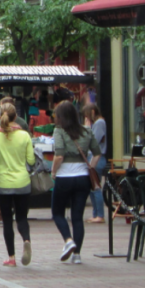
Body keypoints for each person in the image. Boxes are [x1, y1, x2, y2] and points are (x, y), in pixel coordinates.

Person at [50, 100, 102, 264]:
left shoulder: (59, 131)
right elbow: (97, 153)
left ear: (60, 117)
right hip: (82, 178)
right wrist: (90, 169)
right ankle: (77, 255)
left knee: (57, 212)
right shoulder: (87, 130)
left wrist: (53, 171)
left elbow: (59, 155)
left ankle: (68, 240)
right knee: (77, 217)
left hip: (65, 177)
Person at [0, 103, 35, 266]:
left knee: (7, 220)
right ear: (16, 117)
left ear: (0, 115)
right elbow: (31, 160)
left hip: (2, 182)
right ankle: (26, 240)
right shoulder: (24, 136)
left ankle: (12, 258)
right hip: (22, 181)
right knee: (22, 217)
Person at [83, 103, 107, 223]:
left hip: (97, 159)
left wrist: (87, 128)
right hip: (96, 157)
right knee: (93, 187)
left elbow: (93, 140)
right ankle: (95, 213)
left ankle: (100, 215)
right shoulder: (99, 123)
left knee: (96, 187)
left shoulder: (98, 123)